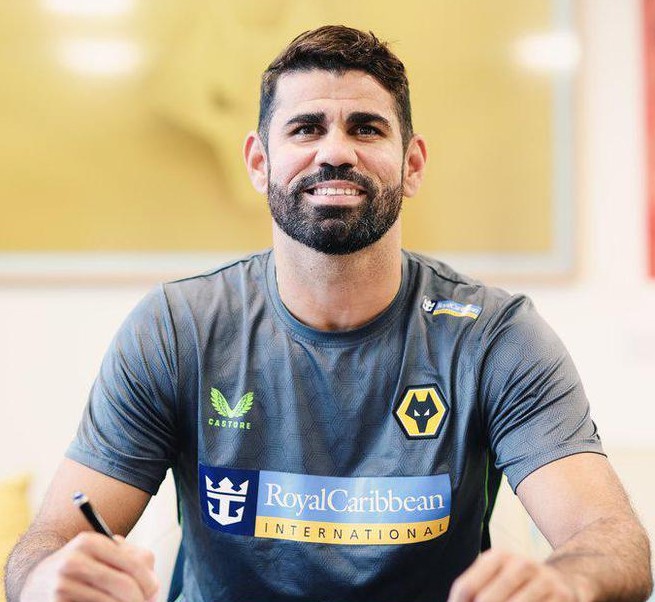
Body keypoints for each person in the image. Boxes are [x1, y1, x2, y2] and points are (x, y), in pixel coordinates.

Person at [5, 25, 652, 602]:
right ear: (259, 163)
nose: (335, 152)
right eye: (306, 128)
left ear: (412, 164)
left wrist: (567, 581)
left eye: (365, 128)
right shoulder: (178, 328)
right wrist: (45, 581)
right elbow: (49, 539)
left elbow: (610, 538)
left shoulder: (494, 335)